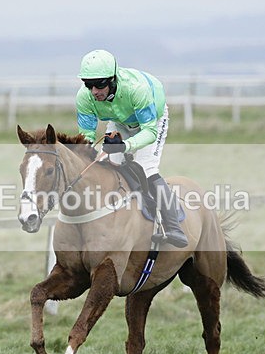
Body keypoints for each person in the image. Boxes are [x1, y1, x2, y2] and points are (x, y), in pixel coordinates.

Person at [75, 49, 188, 248]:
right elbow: (87, 137)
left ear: (112, 80)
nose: (94, 91)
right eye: (88, 84)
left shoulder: (136, 89)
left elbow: (149, 132)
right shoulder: (84, 97)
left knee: (145, 167)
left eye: (99, 84)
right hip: (119, 120)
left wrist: (125, 145)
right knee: (108, 163)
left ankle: (173, 226)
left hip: (152, 120)